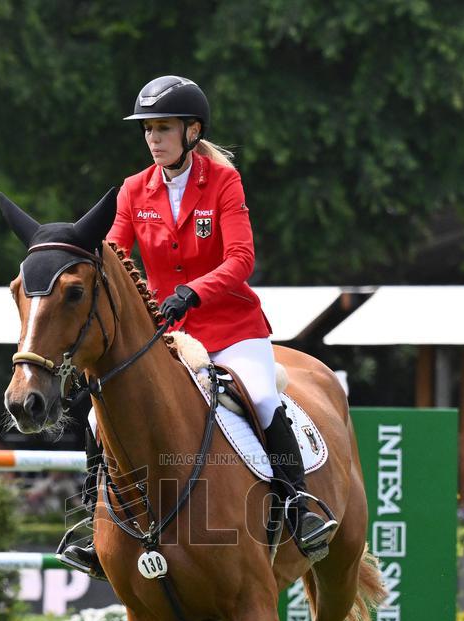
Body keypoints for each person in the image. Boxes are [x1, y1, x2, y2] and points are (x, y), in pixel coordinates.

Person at [60, 75, 336, 576]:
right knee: (100, 418)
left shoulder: (223, 182)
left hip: (231, 327)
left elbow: (241, 257)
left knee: (264, 397)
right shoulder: (132, 190)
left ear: (191, 131)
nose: (153, 139)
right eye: (148, 130)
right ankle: (89, 522)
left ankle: (298, 508)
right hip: (167, 335)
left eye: (163, 129)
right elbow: (117, 257)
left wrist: (194, 292)